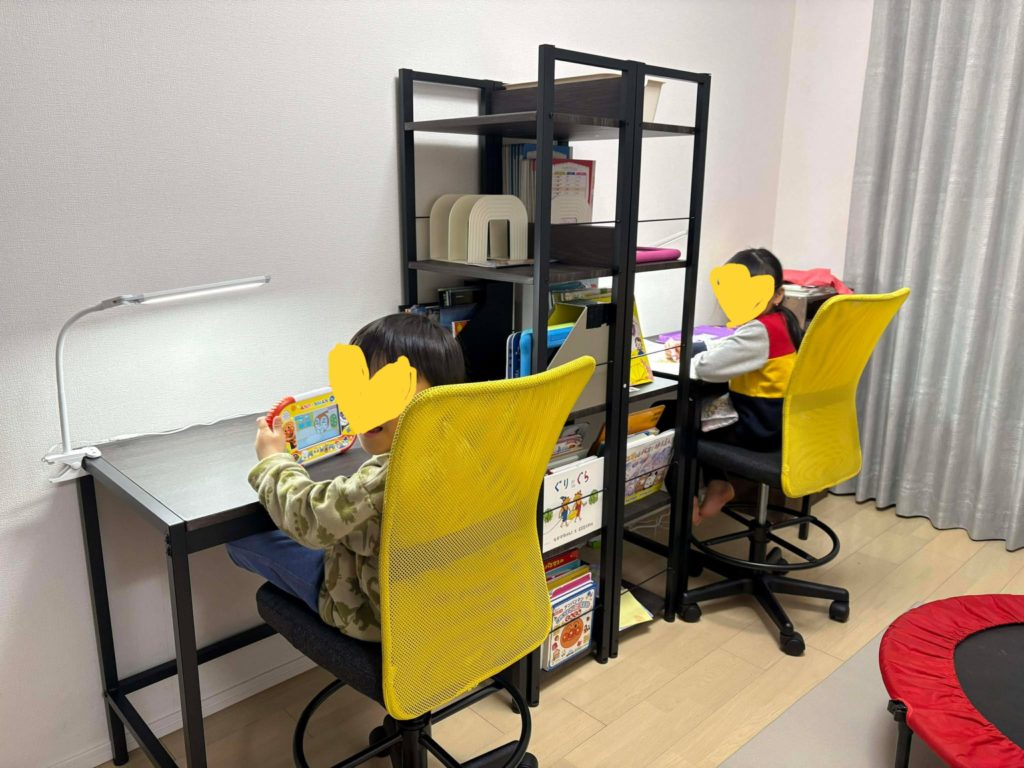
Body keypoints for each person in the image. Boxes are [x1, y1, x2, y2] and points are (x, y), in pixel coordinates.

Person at [226, 313, 466, 640]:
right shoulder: (464, 446)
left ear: (438, 398)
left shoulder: (385, 477)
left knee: (240, 538)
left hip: (370, 613)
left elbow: (309, 517)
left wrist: (273, 460)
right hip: (441, 605)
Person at [690, 248, 803, 525]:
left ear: (777, 294)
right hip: (778, 422)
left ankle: (687, 503)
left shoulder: (758, 330)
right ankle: (718, 484)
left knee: (676, 415)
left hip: (757, 427)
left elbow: (706, 368)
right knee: (699, 410)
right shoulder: (784, 321)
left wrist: (693, 355)